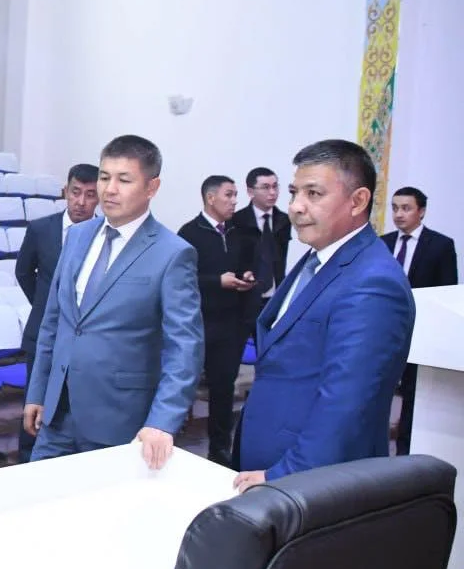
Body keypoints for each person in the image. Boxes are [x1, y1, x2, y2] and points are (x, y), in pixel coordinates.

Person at [234, 140, 415, 492]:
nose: (295, 206)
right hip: (270, 460)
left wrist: (282, 475)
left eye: (313, 193)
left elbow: (347, 401)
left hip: (311, 481)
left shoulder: (373, 282)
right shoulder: (318, 258)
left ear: (357, 201)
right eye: (294, 192)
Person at [22, 135, 203, 469]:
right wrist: (38, 391)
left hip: (119, 418)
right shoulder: (77, 236)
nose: (110, 189)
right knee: (41, 497)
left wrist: (162, 421)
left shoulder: (172, 253)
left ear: (151, 187)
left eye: (124, 180)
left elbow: (184, 348)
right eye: (105, 177)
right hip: (57, 413)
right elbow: (54, 321)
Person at [13, 162, 99, 463]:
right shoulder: (41, 229)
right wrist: (45, 304)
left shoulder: (104, 235)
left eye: (90, 195)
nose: (81, 202)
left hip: (85, 336)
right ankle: (27, 461)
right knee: (34, 400)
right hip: (43, 332)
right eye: (76, 192)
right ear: (65, 192)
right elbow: (24, 272)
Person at [178, 175, 256, 467]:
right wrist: (216, 282)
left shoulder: (238, 232)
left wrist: (246, 276)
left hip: (230, 325)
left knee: (223, 389)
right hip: (197, 324)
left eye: (235, 195)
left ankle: (219, 449)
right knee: (182, 385)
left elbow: (247, 265)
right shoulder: (189, 233)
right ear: (211, 198)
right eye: (229, 195)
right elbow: (182, 279)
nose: (235, 201)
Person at [382, 186, 458, 455]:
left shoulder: (440, 245)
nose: (399, 214)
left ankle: (405, 452)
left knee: (412, 395)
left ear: (421, 211)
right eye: (395, 208)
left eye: (406, 208)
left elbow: (446, 290)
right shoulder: (383, 243)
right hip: (384, 329)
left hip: (420, 332)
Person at [231, 167, 292, 329]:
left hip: (275, 296)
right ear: (250, 191)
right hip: (244, 299)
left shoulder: (284, 220)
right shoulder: (236, 221)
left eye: (275, 186)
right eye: (266, 187)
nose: (272, 192)